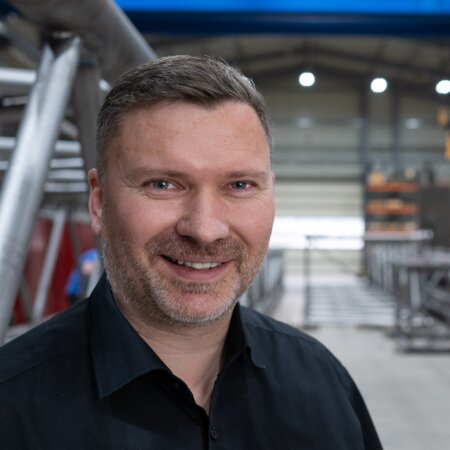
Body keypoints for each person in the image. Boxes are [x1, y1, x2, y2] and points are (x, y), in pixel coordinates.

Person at [0, 55, 383, 449]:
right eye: (162, 184)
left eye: (239, 185)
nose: (204, 229)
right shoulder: (12, 408)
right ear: (99, 203)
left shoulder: (324, 386)